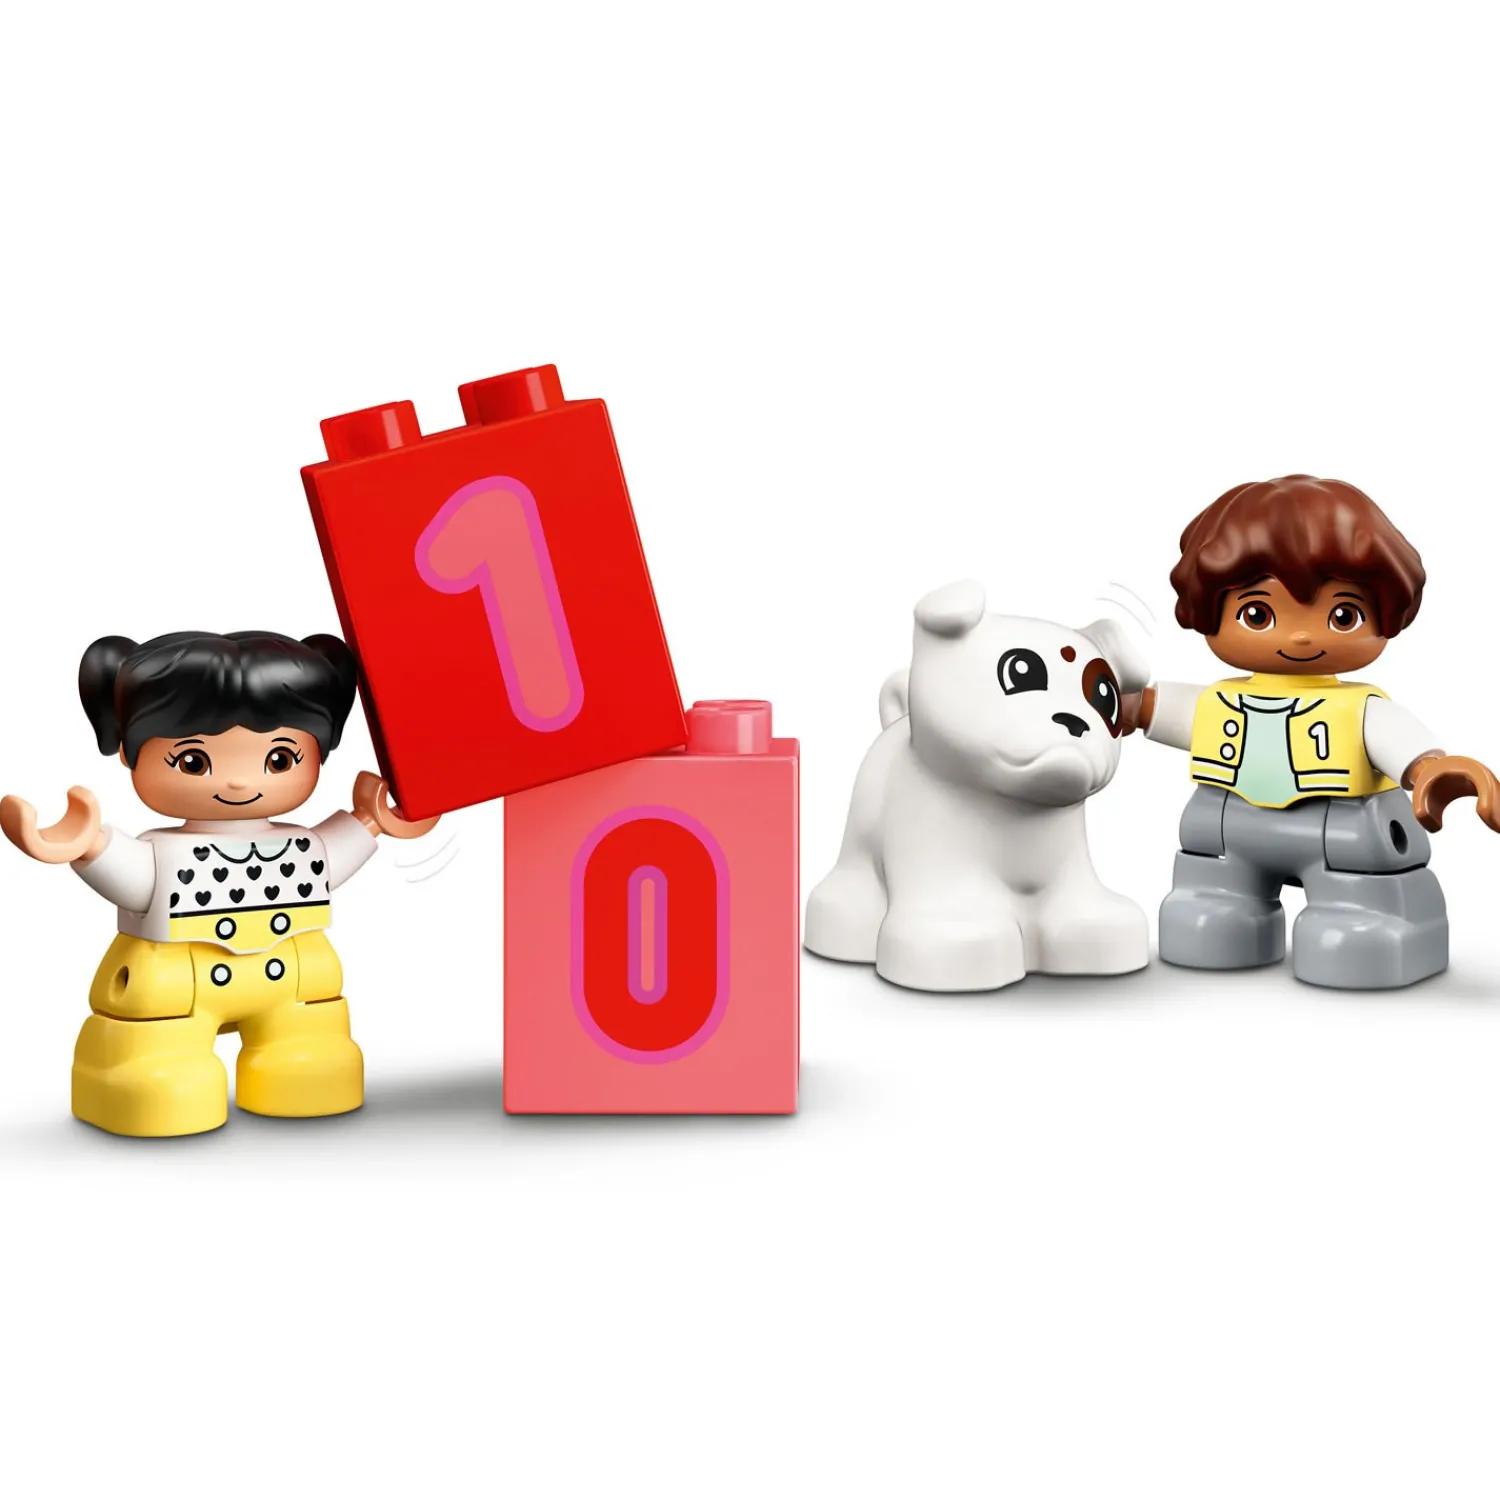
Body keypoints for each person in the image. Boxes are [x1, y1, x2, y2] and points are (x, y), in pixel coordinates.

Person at [0, 630, 436, 1136]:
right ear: (126, 751)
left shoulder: (300, 845)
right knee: (161, 1066)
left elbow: (330, 861)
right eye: (194, 761)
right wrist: (87, 845)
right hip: (174, 985)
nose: (238, 782)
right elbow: (135, 881)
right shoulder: (162, 853)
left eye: (279, 760)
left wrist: (373, 820)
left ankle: (301, 1058)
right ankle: (145, 1075)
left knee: (308, 1044)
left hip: (291, 978)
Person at [1129, 475, 1499, 988]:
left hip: (1343, 834)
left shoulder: (1360, 708)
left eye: (1342, 614)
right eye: (1258, 613)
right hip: (1227, 829)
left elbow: (1401, 745)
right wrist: (1118, 706)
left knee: (1356, 918)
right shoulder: (1217, 699)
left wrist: (1431, 769)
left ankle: (1369, 922)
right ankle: (1220, 906)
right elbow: (1150, 709)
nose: (1301, 636)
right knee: (1210, 904)